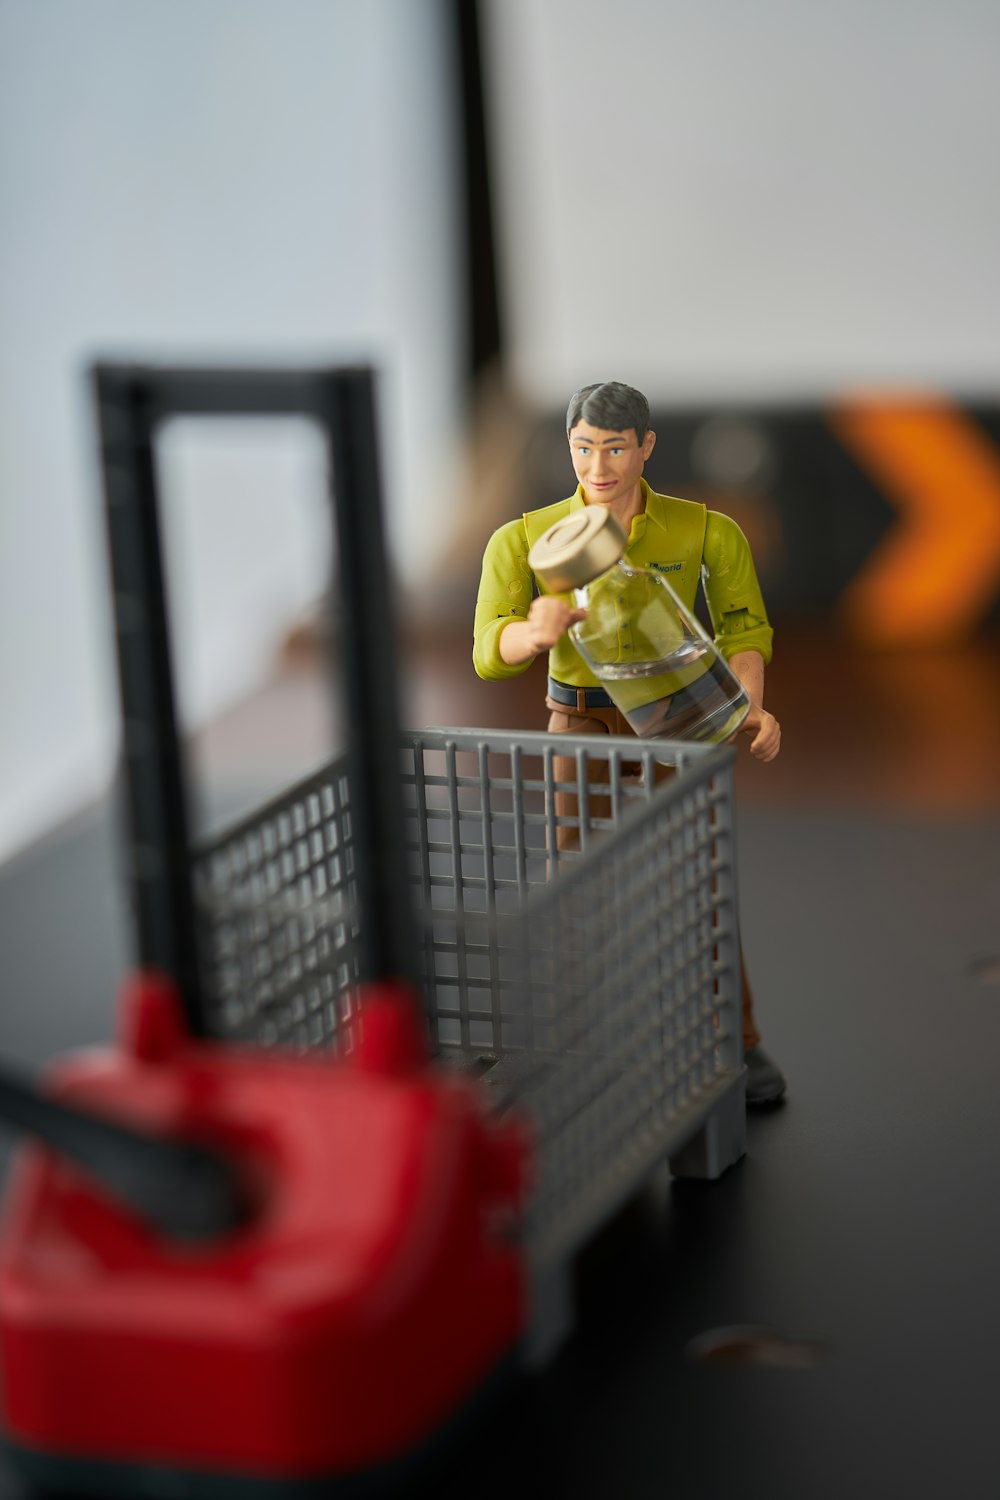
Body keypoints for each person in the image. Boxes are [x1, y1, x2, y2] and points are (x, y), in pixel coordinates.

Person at [473, 380, 786, 1106]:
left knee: (701, 872)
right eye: (584, 447)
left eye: (615, 448)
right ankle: (574, 1041)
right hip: (580, 717)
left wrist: (747, 710)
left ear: (646, 447)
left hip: (678, 717)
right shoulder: (524, 539)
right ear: (567, 447)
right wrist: (536, 633)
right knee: (576, 882)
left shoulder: (705, 529)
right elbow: (490, 648)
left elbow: (744, 629)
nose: (599, 465)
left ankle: (736, 1043)